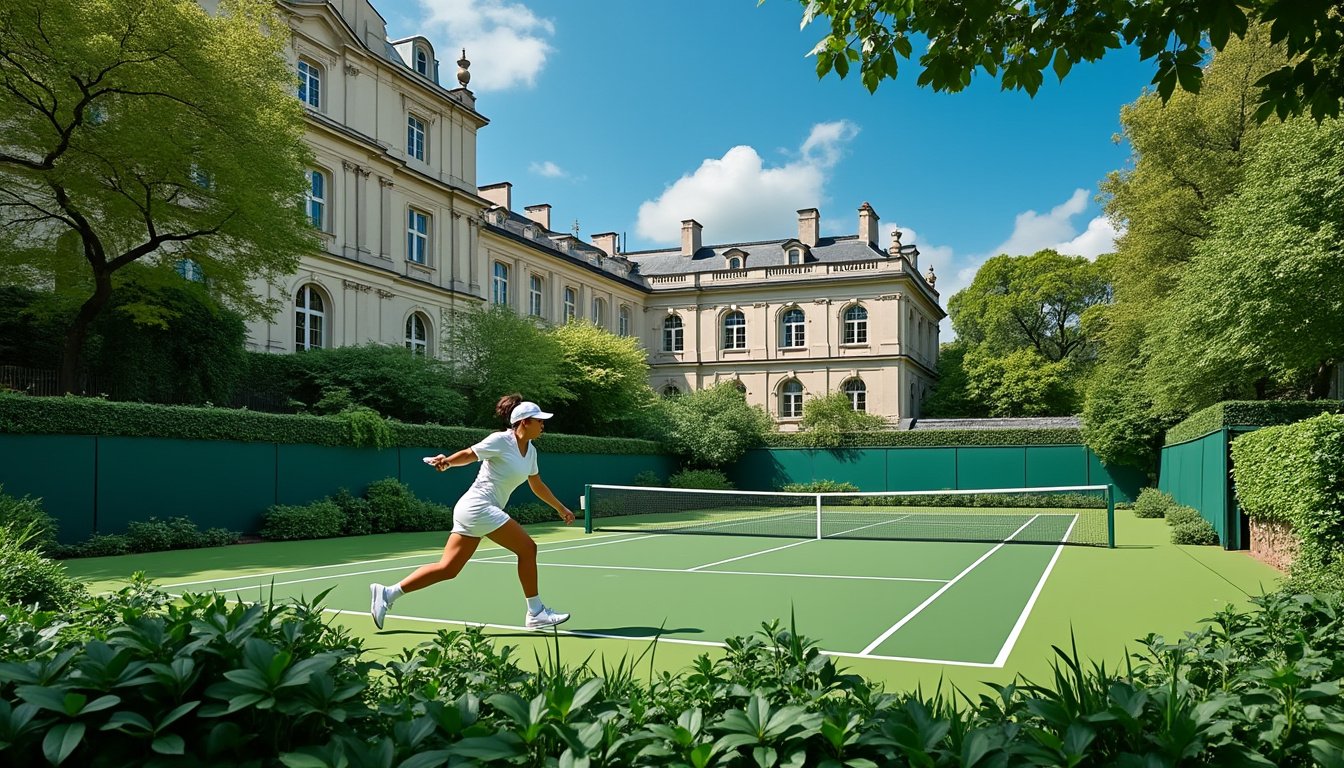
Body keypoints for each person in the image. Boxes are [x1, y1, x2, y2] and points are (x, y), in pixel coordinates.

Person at [370, 394, 576, 631]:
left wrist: (561, 508)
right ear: (524, 422)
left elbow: (537, 484)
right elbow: (470, 454)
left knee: (448, 569)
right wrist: (447, 462)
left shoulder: (531, 452)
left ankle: (387, 593)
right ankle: (536, 612)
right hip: (478, 506)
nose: (543, 425)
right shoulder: (501, 440)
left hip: (477, 511)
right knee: (528, 548)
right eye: (539, 420)